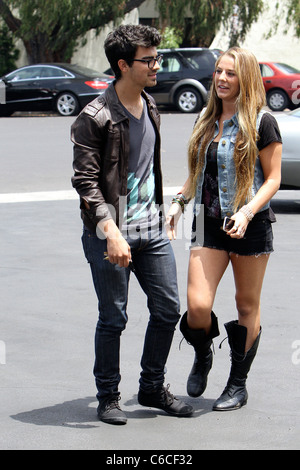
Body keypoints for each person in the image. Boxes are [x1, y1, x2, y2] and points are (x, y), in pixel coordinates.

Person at [71, 24, 193, 425]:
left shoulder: (151, 105)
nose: (157, 64)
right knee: (114, 317)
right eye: (149, 59)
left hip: (152, 228)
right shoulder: (95, 116)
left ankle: (152, 386)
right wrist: (112, 232)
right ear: (123, 65)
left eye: (157, 57)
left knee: (168, 308)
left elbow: (144, 170)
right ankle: (108, 395)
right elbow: (86, 183)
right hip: (111, 233)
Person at [166, 47, 282, 411]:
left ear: (244, 78)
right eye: (218, 71)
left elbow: (273, 179)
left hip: (250, 224)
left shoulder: (262, 122)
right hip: (208, 224)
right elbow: (198, 172)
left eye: (230, 73)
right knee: (198, 305)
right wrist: (179, 203)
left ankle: (237, 384)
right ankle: (203, 354)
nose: (221, 79)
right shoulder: (205, 118)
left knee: (246, 305)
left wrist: (247, 212)